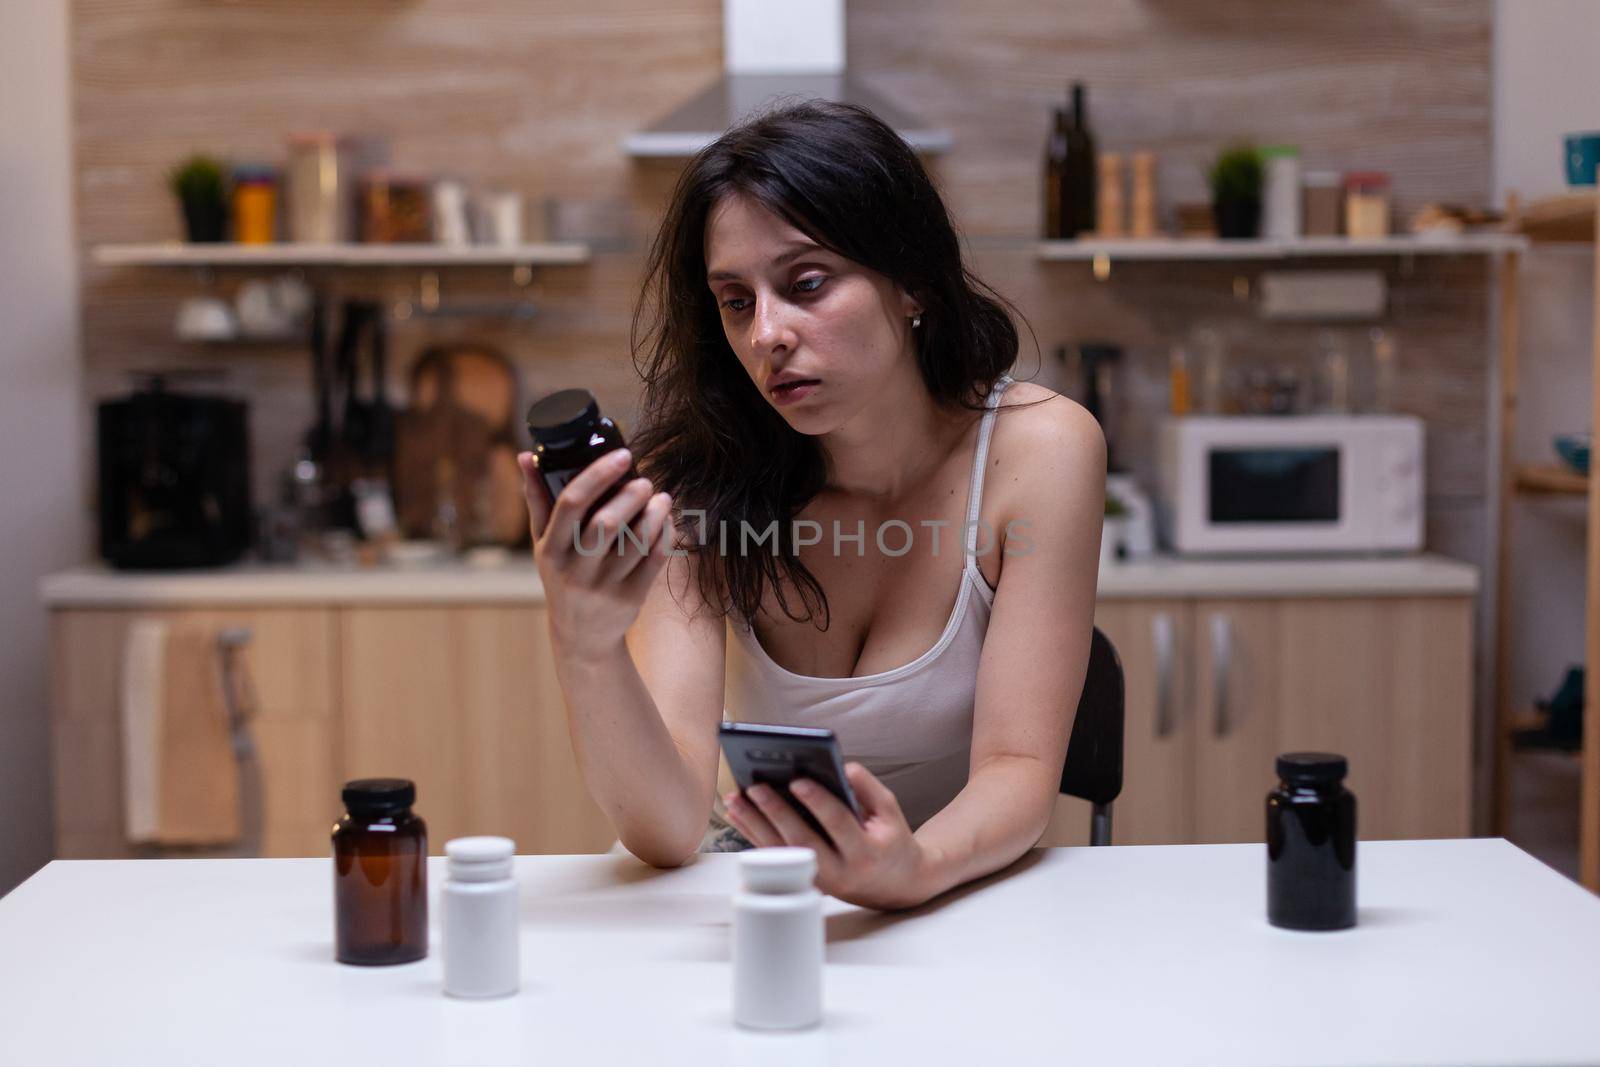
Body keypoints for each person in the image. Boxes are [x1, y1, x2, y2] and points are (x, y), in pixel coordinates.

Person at [516, 100, 1104, 911]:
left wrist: (912, 869)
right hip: (767, 892)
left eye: (806, 284)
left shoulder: (1038, 450)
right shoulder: (695, 482)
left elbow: (1020, 768)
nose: (766, 334)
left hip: (966, 892)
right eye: (736, 300)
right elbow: (669, 825)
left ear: (914, 283)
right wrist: (584, 645)